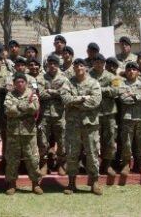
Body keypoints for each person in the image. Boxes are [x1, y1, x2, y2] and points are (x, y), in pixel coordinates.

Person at [61, 59, 103, 195]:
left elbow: (95, 101)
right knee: (72, 153)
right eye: (76, 66)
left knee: (92, 153)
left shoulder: (94, 83)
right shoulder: (68, 82)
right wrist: (81, 99)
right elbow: (65, 99)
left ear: (86, 67)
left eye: (81, 65)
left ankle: (94, 182)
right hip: (73, 125)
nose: (78, 68)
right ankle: (71, 183)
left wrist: (76, 103)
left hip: (90, 124)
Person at [3, 72, 43, 195]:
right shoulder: (10, 94)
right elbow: (8, 110)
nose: (20, 84)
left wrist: (18, 107)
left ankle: (35, 184)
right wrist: (25, 108)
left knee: (32, 159)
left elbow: (34, 108)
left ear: (26, 83)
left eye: (22, 81)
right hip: (13, 132)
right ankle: (11, 184)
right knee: (12, 159)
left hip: (29, 133)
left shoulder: (32, 94)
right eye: (17, 82)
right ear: (14, 83)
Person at [118, 62, 141, 175]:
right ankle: (126, 164)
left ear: (137, 72)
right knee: (126, 143)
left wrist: (134, 96)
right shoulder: (122, 84)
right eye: (129, 70)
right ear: (126, 72)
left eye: (134, 69)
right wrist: (139, 98)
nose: (131, 71)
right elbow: (123, 99)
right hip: (127, 119)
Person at [37, 54, 67, 176]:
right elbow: (41, 94)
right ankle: (44, 164)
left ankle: (61, 164)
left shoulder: (64, 78)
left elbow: (65, 94)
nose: (52, 66)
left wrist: (50, 91)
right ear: (47, 65)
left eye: (55, 63)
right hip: (45, 114)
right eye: (50, 63)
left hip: (60, 115)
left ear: (58, 64)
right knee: (43, 141)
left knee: (62, 141)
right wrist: (56, 93)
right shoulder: (41, 78)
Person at [90, 53, 120, 176]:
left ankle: (107, 165)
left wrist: (98, 90)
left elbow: (116, 91)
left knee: (109, 140)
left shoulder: (113, 77)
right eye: (96, 62)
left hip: (108, 113)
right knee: (92, 140)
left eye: (101, 62)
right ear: (93, 63)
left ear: (104, 63)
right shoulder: (88, 76)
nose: (98, 64)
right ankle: (94, 165)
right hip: (93, 113)